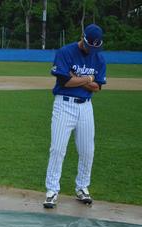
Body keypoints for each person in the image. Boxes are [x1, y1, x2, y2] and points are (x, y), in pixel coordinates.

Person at [43, 24, 106, 208]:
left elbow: (98, 87)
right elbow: (64, 81)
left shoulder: (99, 58)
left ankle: (82, 187)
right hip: (64, 105)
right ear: (83, 37)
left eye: (95, 47)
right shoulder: (65, 52)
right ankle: (52, 190)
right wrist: (89, 79)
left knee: (88, 151)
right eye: (89, 45)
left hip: (86, 108)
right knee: (57, 149)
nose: (91, 50)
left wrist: (79, 79)